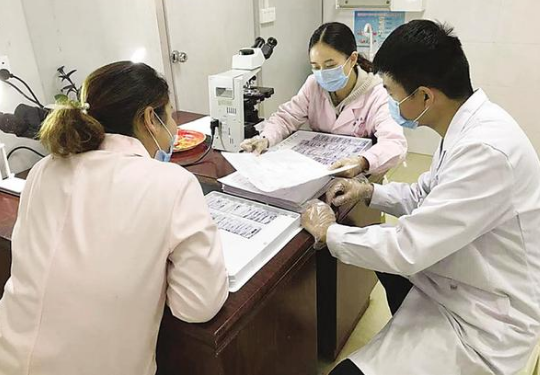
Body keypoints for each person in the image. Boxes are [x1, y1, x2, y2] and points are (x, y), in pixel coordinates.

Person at [302, 20, 540, 375]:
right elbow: (426, 194)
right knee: (378, 250)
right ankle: (407, 330)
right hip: (464, 278)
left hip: (488, 318)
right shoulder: (468, 127)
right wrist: (369, 191)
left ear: (424, 96)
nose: (389, 102)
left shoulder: (486, 151)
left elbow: (408, 248)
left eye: (392, 93)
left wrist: (329, 233)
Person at [0, 61, 229, 375]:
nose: (175, 128)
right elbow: (198, 304)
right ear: (149, 119)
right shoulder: (172, 184)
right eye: (171, 115)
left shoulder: (43, 169)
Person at [241, 21, 407, 178]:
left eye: (330, 66)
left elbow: (394, 143)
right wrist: (265, 139)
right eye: (315, 66)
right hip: (316, 170)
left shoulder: (377, 93)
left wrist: (362, 162)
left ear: (352, 59)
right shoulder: (313, 84)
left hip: (359, 176)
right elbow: (286, 118)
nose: (322, 73)